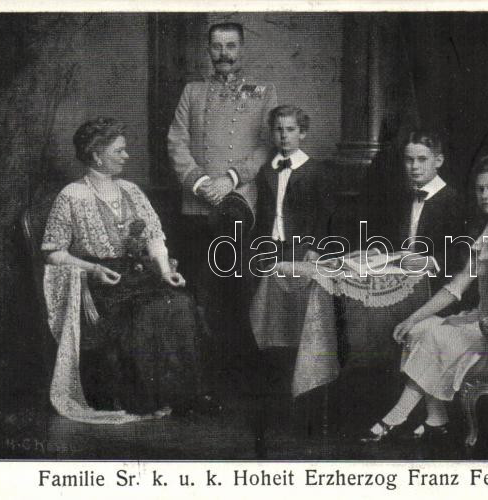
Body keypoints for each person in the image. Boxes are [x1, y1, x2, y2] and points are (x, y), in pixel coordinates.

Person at [359, 152, 488, 442]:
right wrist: (412, 318)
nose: (484, 195)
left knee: (439, 336)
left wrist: (484, 322)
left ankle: (395, 416)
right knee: (419, 330)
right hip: (484, 321)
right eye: (480, 189)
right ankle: (437, 418)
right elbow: (457, 285)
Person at [42, 117, 212, 421]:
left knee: (179, 303)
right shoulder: (71, 195)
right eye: (118, 151)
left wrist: (165, 271)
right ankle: (142, 399)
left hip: (137, 275)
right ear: (97, 155)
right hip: (102, 284)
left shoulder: (131, 190)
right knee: (146, 311)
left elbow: (154, 236)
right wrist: (93, 269)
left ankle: (182, 396)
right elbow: (53, 253)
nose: (126, 156)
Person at [167, 21, 277, 378]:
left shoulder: (264, 93)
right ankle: (202, 371)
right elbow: (176, 143)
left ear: (241, 49)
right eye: (217, 46)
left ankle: (239, 369)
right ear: (208, 50)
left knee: (235, 285)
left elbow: (265, 146)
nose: (224, 54)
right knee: (200, 287)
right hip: (197, 203)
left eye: (231, 46)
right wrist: (201, 183)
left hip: (240, 201)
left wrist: (230, 179)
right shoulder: (192, 91)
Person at [254, 105, 333, 263]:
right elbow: (261, 212)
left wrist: (316, 248)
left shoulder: (316, 170)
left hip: (301, 247)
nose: (284, 135)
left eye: (290, 130)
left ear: (302, 133)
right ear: (272, 133)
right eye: (279, 130)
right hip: (269, 247)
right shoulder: (265, 170)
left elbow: (325, 214)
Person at [391, 130, 466, 287]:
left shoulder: (453, 199)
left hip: (439, 283)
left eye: (422, 159)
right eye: (409, 160)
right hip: (403, 279)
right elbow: (395, 241)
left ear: (438, 161)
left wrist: (430, 262)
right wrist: (375, 253)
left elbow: (462, 251)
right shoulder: (404, 197)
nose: (414, 166)